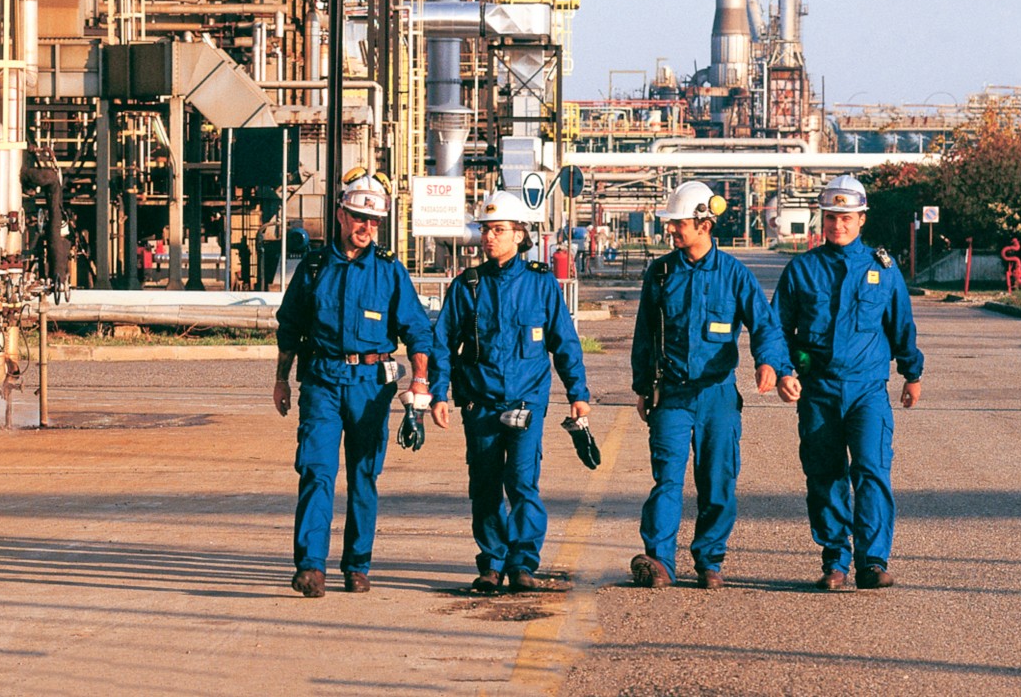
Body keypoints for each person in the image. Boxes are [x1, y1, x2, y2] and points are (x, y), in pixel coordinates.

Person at [274, 170, 437, 597]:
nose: (366, 228)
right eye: (359, 218)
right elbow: (289, 326)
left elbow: (418, 331)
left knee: (363, 475)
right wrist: (281, 380)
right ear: (341, 216)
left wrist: (420, 381)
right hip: (322, 381)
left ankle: (357, 565)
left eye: (374, 222)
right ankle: (311, 566)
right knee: (316, 471)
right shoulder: (312, 267)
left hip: (371, 385)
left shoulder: (389, 272)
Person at [629, 181, 791, 589]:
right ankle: (660, 562)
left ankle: (709, 560)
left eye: (678, 223)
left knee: (717, 480)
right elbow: (645, 334)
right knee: (667, 479)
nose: (671, 231)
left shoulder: (734, 274)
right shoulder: (661, 273)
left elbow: (765, 324)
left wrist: (770, 363)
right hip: (672, 394)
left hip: (717, 395)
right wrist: (642, 387)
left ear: (704, 223)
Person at [429, 191, 591, 594]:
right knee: (484, 486)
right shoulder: (467, 286)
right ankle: (491, 563)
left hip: (526, 401)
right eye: (485, 230)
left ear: (520, 235)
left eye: (499, 230)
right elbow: (442, 343)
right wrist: (438, 393)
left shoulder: (540, 284)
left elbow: (564, 342)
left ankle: (522, 563)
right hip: (479, 402)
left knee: (521, 483)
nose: (489, 238)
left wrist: (578, 392)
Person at [772, 174, 924, 592]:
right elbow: (777, 329)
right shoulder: (802, 270)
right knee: (824, 475)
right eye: (831, 216)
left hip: (868, 391)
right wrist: (784, 370)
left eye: (846, 217)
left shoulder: (882, 269)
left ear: (861, 220)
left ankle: (872, 562)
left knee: (872, 471)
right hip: (818, 392)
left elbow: (901, 327)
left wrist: (912, 373)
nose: (838, 224)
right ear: (823, 218)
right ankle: (835, 561)